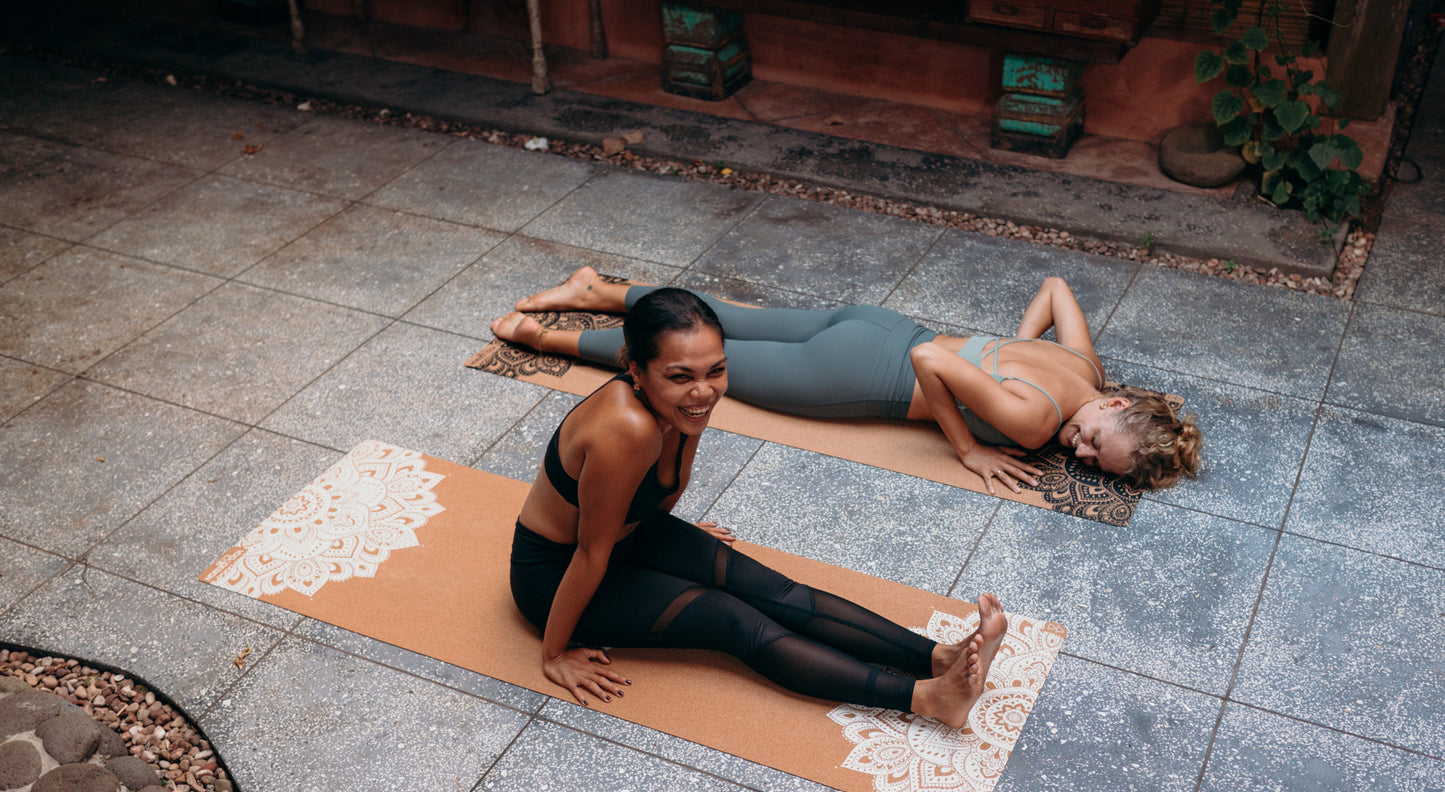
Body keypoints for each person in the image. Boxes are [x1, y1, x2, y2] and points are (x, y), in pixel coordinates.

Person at [509, 286, 1007, 727]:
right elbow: (591, 552)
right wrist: (554, 652)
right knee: (732, 618)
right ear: (635, 369)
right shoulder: (628, 427)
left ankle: (938, 657)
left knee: (777, 591)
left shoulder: (681, 408)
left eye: (716, 371)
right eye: (680, 376)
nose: (703, 391)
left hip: (628, 534)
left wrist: (662, 532)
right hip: (553, 577)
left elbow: (657, 492)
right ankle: (927, 698)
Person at [491, 268, 1202, 491]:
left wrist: (1014, 344)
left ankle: (598, 288)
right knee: (704, 369)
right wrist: (968, 447)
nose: (1075, 453)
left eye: (1088, 462)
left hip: (879, 323)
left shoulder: (1084, 367)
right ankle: (538, 334)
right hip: (859, 371)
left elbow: (1053, 288)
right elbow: (930, 369)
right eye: (1094, 443)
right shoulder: (1035, 421)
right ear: (1114, 406)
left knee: (724, 316)